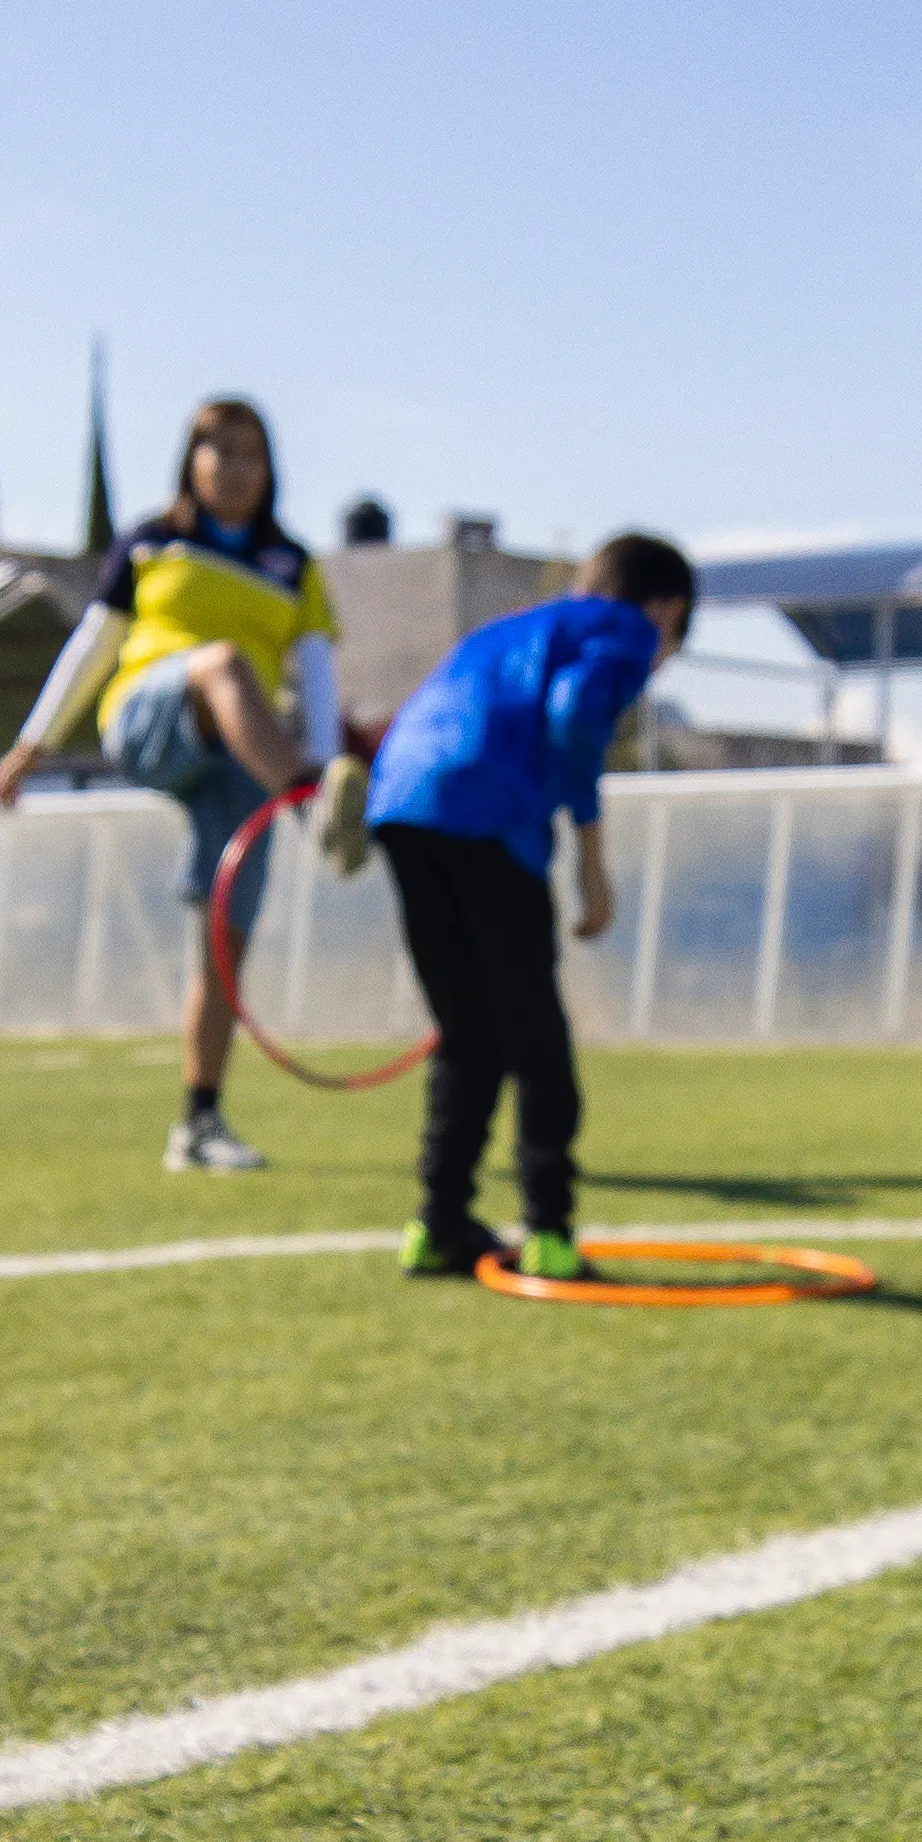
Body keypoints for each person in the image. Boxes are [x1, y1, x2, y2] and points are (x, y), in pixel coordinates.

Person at [0, 392, 344, 1173]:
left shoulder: (293, 564)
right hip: (153, 715)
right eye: (219, 449)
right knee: (219, 663)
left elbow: (315, 667)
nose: (235, 467)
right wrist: (33, 743)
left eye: (251, 452)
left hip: (245, 757)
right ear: (191, 459)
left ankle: (198, 1124)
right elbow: (95, 641)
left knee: (223, 941)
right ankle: (319, 813)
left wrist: (324, 754)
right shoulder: (152, 543)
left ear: (270, 468)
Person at [359, 534, 694, 1286]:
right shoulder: (625, 628)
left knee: (468, 1033)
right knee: (535, 1035)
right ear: (669, 609)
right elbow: (576, 716)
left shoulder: (516, 626)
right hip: (486, 813)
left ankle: (437, 1224)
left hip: (402, 804)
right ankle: (548, 1230)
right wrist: (593, 861)